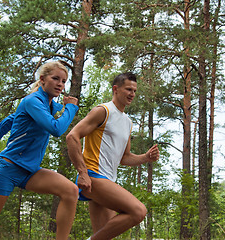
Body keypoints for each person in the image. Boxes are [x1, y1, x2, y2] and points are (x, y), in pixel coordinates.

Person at [0, 61, 79, 240]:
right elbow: (56, 129)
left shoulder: (48, 105)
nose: (60, 84)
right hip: (8, 169)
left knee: (71, 191)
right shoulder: (32, 101)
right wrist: (71, 108)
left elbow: (9, 120)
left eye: (63, 81)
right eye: (55, 79)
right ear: (43, 79)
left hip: (30, 171)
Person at [65, 72, 160, 240]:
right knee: (138, 211)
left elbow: (125, 157)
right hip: (93, 176)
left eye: (135, 91)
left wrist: (146, 157)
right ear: (116, 89)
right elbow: (72, 136)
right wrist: (83, 173)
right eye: (128, 89)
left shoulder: (127, 122)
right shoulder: (103, 111)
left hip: (108, 181)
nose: (132, 94)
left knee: (103, 236)